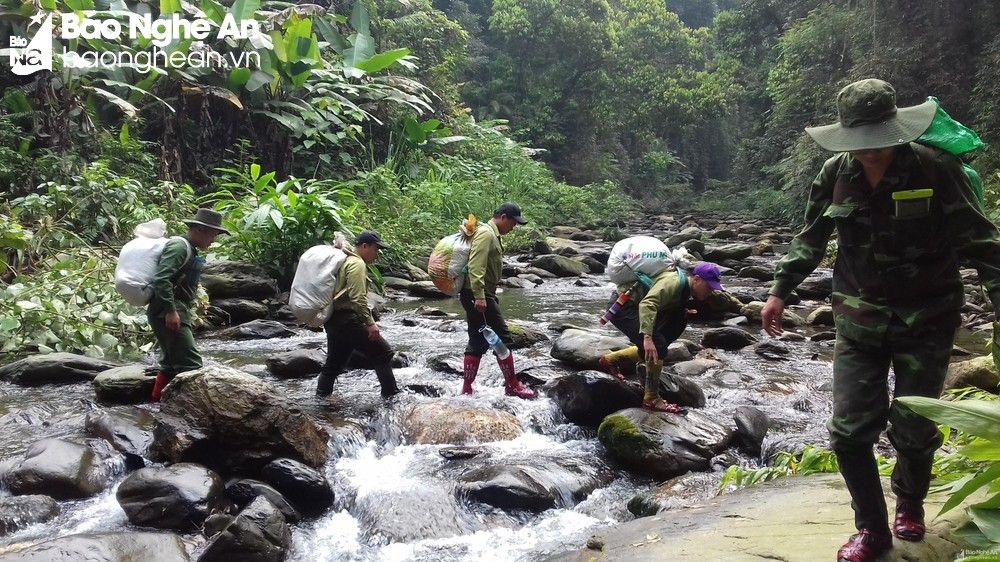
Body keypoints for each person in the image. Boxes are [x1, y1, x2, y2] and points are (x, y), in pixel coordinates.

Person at [760, 79, 1000, 562]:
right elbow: (811, 238)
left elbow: (982, 244)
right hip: (857, 318)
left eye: (879, 140)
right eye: (860, 143)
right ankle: (870, 529)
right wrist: (779, 292)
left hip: (927, 318)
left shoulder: (937, 169)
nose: (870, 152)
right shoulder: (834, 173)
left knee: (914, 425)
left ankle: (909, 503)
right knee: (848, 431)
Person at [597, 262, 726, 412]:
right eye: (709, 287)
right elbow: (647, 304)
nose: (711, 291)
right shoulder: (674, 283)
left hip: (636, 306)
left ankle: (610, 361)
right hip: (624, 307)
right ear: (697, 279)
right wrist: (647, 338)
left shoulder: (686, 287)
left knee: (674, 326)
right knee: (656, 346)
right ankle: (651, 398)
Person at [149, 208, 229, 401]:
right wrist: (171, 311)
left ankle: (155, 407)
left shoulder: (190, 249)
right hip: (167, 311)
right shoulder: (179, 247)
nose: (214, 240)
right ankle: (192, 411)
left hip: (170, 310)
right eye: (213, 234)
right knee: (191, 365)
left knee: (169, 365)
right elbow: (161, 279)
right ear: (200, 230)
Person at [459, 202, 536, 398]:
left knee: (477, 340)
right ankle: (512, 385)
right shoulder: (486, 234)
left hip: (478, 293)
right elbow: (476, 266)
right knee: (503, 337)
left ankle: (467, 389)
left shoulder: (490, 234)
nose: (514, 227)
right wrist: (479, 296)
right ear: (503, 217)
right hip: (479, 294)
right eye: (513, 222)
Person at [316, 230, 400, 399]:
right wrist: (370, 323)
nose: (377, 254)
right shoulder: (356, 264)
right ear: (364, 246)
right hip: (347, 320)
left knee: (334, 363)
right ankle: (391, 398)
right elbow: (357, 298)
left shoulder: (345, 259)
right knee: (383, 353)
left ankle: (321, 399)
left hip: (333, 319)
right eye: (376, 249)